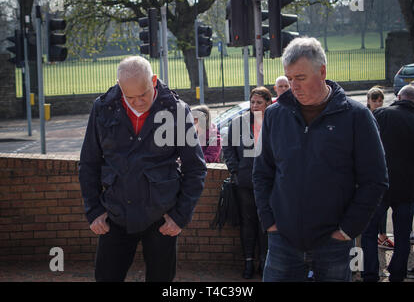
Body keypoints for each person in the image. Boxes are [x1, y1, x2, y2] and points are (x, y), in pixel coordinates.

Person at [253, 37, 389, 282]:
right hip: (282, 240)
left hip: (334, 243)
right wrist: (269, 222)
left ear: (322, 71)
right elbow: (262, 172)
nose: (294, 86)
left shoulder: (357, 117)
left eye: (301, 78)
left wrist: (347, 230)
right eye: (290, 78)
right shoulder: (274, 115)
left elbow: (375, 180)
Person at [78, 56, 207, 282]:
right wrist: (94, 210)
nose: (138, 102)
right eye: (130, 97)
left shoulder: (176, 110)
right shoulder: (102, 108)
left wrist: (179, 216)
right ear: (120, 87)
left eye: (144, 94)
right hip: (115, 215)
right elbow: (88, 163)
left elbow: (195, 167)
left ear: (154, 81)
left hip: (161, 217)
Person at [361, 85, 414, 282]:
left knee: (368, 232)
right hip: (407, 188)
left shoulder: (382, 114)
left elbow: (366, 145)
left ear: (399, 96)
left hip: (379, 184)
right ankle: (398, 273)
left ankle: (370, 273)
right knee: (403, 234)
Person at [223, 86, 272, 279]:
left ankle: (264, 261)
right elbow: (228, 148)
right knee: (248, 222)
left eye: (259, 102)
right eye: (252, 102)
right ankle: (249, 262)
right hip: (245, 182)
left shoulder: (274, 121)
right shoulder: (238, 123)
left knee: (266, 223)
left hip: (269, 183)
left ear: (268, 103)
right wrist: (235, 169)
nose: (254, 105)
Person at [366, 86, 393, 250]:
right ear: (368, 101)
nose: (378, 103)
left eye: (380, 100)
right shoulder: (366, 116)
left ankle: (382, 236)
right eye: (374, 100)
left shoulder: (385, 116)